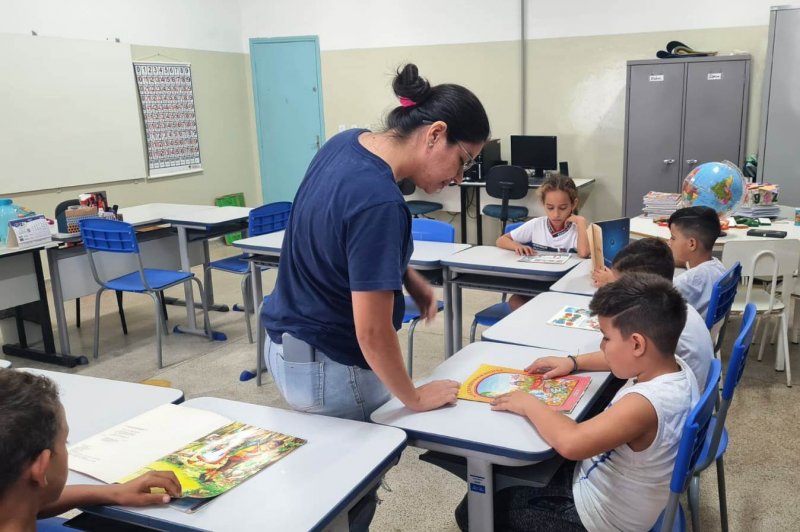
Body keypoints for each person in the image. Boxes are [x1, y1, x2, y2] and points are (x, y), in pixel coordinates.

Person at [260, 63, 489, 421]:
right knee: (362, 468)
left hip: (283, 347)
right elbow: (372, 331)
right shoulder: (380, 201)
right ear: (435, 134)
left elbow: (341, 243)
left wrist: (407, 277)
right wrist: (413, 397)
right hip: (332, 366)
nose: (459, 178)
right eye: (462, 161)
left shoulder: (345, 143)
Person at [458, 273, 700, 531]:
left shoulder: (645, 404)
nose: (602, 345)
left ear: (637, 344)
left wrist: (529, 403)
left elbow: (572, 443)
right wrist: (573, 362)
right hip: (604, 484)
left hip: (593, 516)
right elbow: (613, 357)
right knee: (511, 472)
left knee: (473, 510)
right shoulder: (673, 367)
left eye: (606, 337)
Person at [0, 370, 182, 530]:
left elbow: (26, 501)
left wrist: (114, 492)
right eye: (65, 442)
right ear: (42, 467)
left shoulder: (16, 502)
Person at [581, 237, 713, 385]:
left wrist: (575, 361)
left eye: (620, 286)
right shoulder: (673, 307)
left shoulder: (660, 324)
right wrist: (574, 362)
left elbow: (623, 357)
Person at [495, 174, 590, 310]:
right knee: (516, 301)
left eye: (562, 208)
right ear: (543, 204)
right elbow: (501, 240)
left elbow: (584, 252)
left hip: (566, 287)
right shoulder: (536, 224)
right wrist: (517, 246)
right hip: (537, 285)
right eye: (550, 208)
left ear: (573, 204)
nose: (556, 214)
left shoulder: (578, 230)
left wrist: (581, 223)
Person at [667, 206, 727, 319]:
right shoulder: (719, 267)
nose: (669, 242)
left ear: (692, 244)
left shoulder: (686, 283)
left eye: (673, 238)